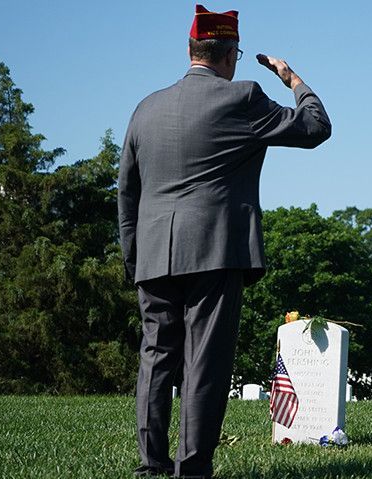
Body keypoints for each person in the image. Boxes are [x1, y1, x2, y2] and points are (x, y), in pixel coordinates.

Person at [117, 5, 331, 478]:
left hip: (153, 254)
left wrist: (134, 257)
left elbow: (127, 192)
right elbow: (315, 127)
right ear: (232, 54)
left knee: (155, 359)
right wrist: (292, 78)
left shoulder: (145, 107)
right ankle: (191, 470)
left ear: (191, 50)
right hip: (213, 252)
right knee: (204, 365)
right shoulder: (243, 97)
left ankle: (150, 467)